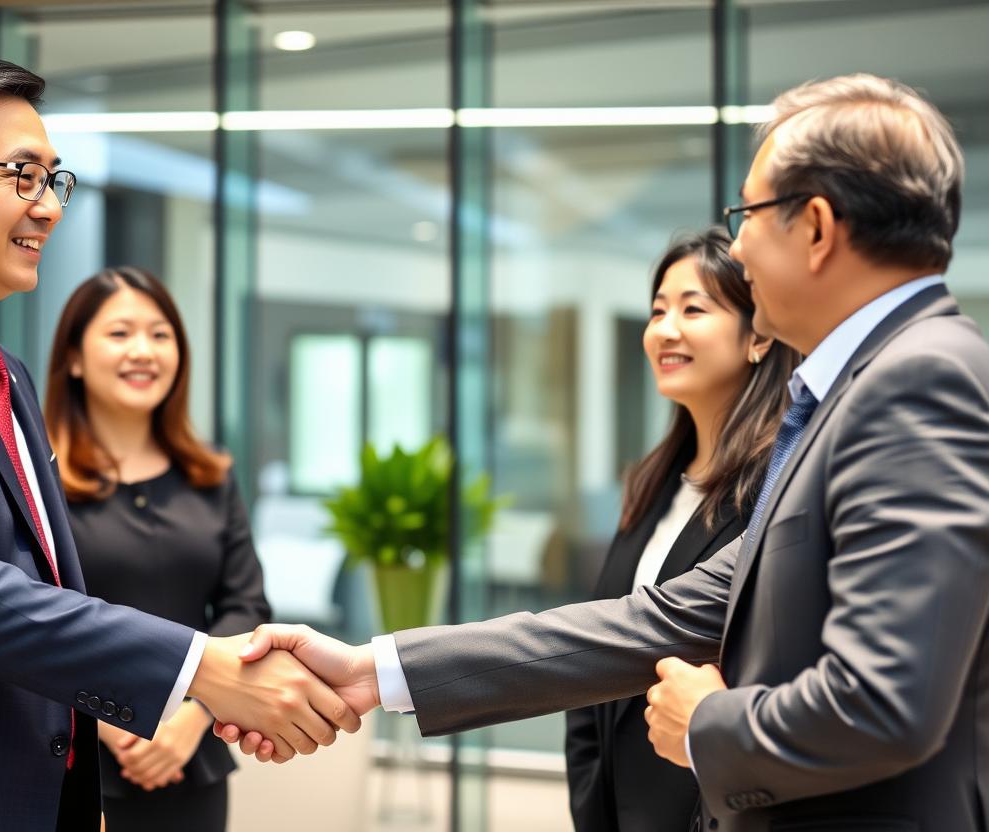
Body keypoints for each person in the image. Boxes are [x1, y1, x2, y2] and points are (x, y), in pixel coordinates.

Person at [220, 74, 989, 832]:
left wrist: (706, 726)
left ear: (817, 228)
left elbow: (886, 701)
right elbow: (654, 619)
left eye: (747, 212)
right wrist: (375, 669)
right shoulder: (860, 390)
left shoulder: (917, 381)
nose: (741, 243)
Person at [0, 55, 357, 832]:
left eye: (54, 179)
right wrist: (199, 668)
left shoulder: (1, 371)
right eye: (22, 175)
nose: (47, 207)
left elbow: (46, 590)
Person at [565, 229, 796, 832]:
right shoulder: (651, 484)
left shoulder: (777, 490)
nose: (665, 329)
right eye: (657, 310)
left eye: (694, 308)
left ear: (759, 336)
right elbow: (600, 649)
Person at [45, 266, 270, 832]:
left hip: (190, 758)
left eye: (160, 334)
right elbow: (28, 612)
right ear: (73, 357)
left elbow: (246, 609)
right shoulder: (38, 479)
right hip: (75, 756)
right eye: (120, 333)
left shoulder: (211, 476)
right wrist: (108, 719)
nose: (143, 350)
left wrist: (195, 717)